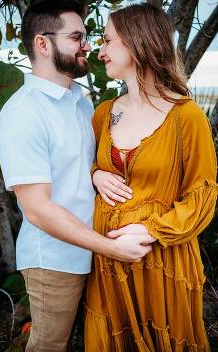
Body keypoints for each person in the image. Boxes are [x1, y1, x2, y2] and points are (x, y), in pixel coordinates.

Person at [0, 1, 153, 350]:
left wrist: (95, 176)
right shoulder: (24, 113)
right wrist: (112, 248)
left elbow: (81, 167)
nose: (87, 45)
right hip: (56, 260)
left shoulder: (79, 100)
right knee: (49, 346)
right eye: (77, 36)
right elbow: (37, 210)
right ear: (43, 44)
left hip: (95, 251)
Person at [84, 3, 217, 350]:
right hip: (110, 265)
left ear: (135, 42)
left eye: (108, 41)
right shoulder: (103, 114)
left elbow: (202, 196)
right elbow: (80, 168)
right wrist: (96, 173)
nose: (100, 52)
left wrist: (150, 230)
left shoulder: (185, 117)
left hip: (161, 261)